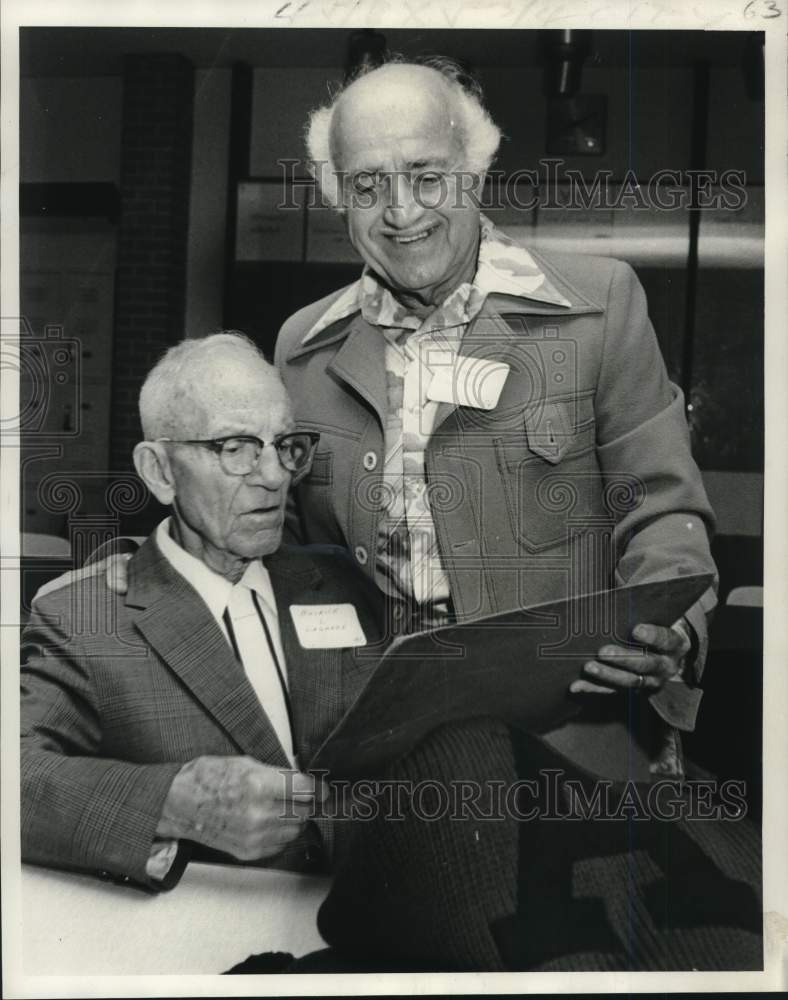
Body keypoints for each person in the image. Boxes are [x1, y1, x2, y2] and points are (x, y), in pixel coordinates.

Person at [21, 332, 522, 969]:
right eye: (235, 448)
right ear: (158, 471)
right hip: (212, 952)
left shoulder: (340, 580)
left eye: (286, 446)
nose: (274, 476)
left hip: (394, 941)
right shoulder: (88, 616)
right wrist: (176, 803)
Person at [274, 57, 718, 774]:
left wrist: (674, 631)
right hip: (378, 755)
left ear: (473, 171)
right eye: (367, 184)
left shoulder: (599, 309)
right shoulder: (301, 350)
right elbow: (284, 556)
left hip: (573, 746)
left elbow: (663, 508)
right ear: (336, 196)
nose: (401, 211)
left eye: (426, 175)